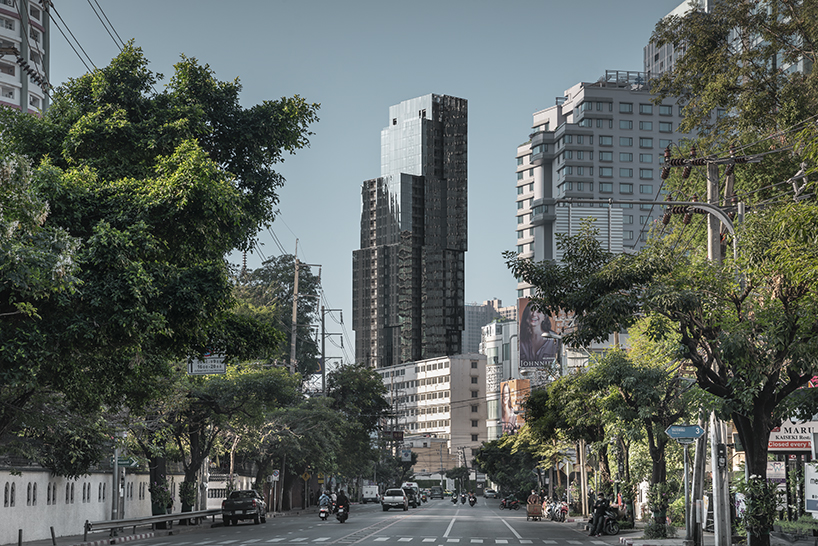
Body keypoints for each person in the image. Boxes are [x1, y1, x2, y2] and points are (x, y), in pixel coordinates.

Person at [519, 303, 557, 368]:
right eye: (531, 310)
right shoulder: (521, 340)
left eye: (538, 312)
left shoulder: (554, 338)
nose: (534, 314)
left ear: (544, 317)